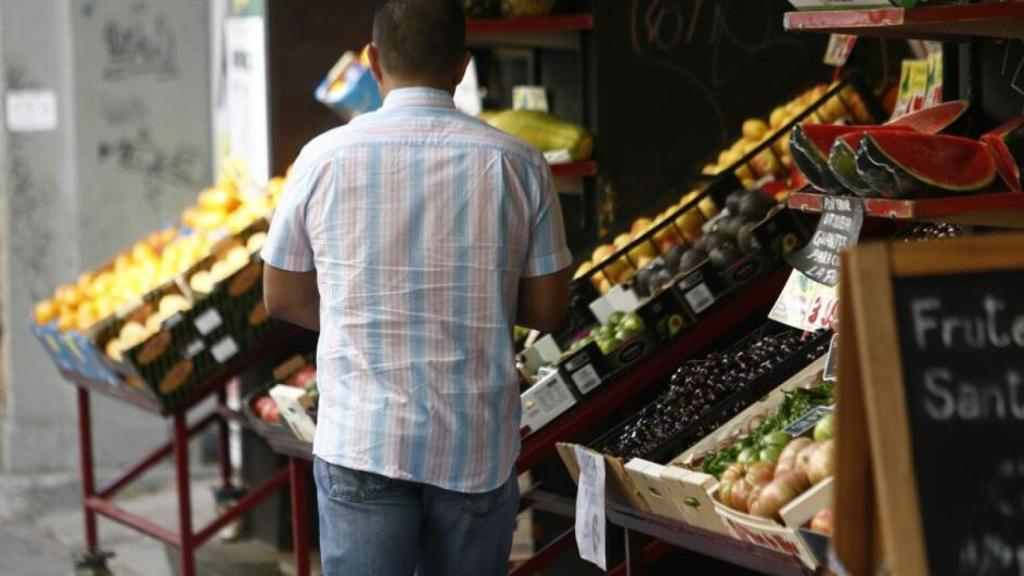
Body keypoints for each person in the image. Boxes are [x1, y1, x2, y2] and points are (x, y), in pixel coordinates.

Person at [260, 0, 573, 573]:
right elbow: (551, 309)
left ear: (373, 61)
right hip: (474, 443)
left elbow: (281, 295)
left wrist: (364, 315)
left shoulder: (322, 158)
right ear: (462, 65)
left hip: (363, 437)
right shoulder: (520, 163)